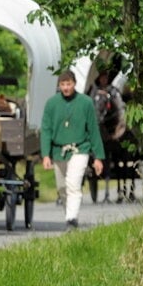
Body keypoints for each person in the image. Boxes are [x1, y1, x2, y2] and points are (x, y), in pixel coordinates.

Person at [41, 71, 106, 228]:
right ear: (59, 85)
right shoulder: (51, 103)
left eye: (68, 84)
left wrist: (98, 157)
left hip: (80, 149)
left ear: (74, 84)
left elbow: (93, 130)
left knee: (73, 184)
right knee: (62, 188)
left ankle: (72, 220)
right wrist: (45, 155)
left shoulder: (86, 102)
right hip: (58, 151)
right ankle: (69, 215)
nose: (66, 88)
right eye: (63, 84)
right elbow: (46, 130)